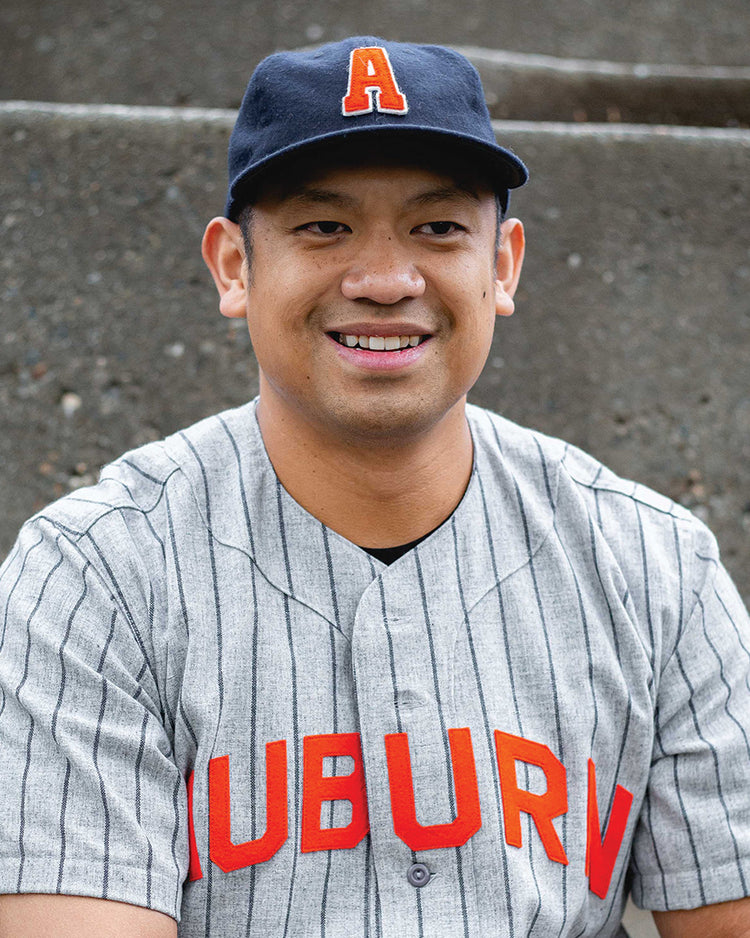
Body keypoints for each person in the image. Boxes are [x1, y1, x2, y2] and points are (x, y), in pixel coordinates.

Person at [0, 36, 749, 938]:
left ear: (502, 265)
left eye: (437, 227)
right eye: (324, 227)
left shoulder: (655, 565)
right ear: (235, 267)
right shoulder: (92, 576)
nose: (386, 280)